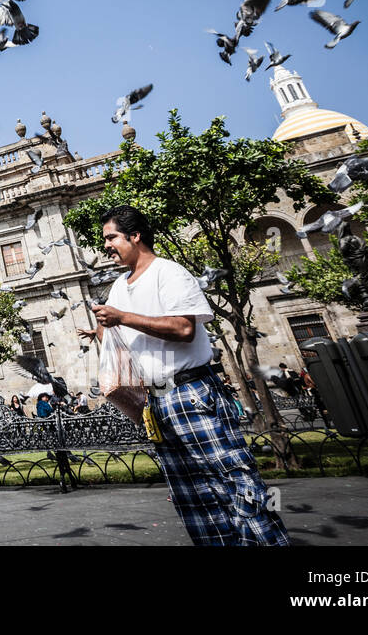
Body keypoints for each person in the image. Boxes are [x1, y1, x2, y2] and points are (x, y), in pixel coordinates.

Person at [81, 205, 289, 546]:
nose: (106, 245)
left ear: (135, 236)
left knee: (236, 483)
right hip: (156, 403)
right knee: (194, 498)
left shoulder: (169, 273)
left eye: (111, 237)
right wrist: (101, 331)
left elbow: (183, 329)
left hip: (191, 393)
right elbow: (125, 337)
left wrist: (123, 318)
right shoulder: (119, 286)